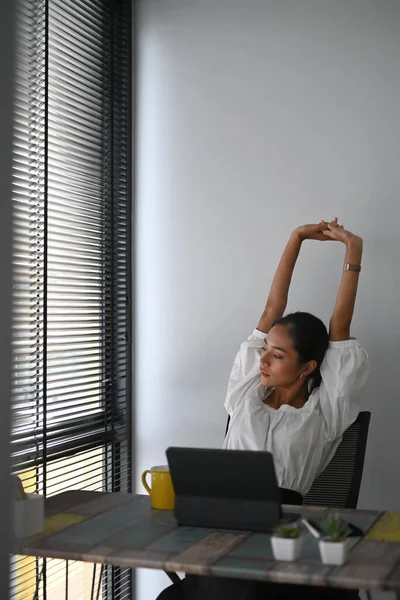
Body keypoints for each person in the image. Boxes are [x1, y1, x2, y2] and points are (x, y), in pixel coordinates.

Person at [157, 218, 369, 600]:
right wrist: (296, 237)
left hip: (283, 530)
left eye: (277, 355)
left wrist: (353, 250)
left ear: (307, 367)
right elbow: (274, 306)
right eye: (265, 349)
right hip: (217, 521)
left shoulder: (328, 410)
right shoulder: (246, 390)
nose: (264, 360)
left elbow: (340, 327)